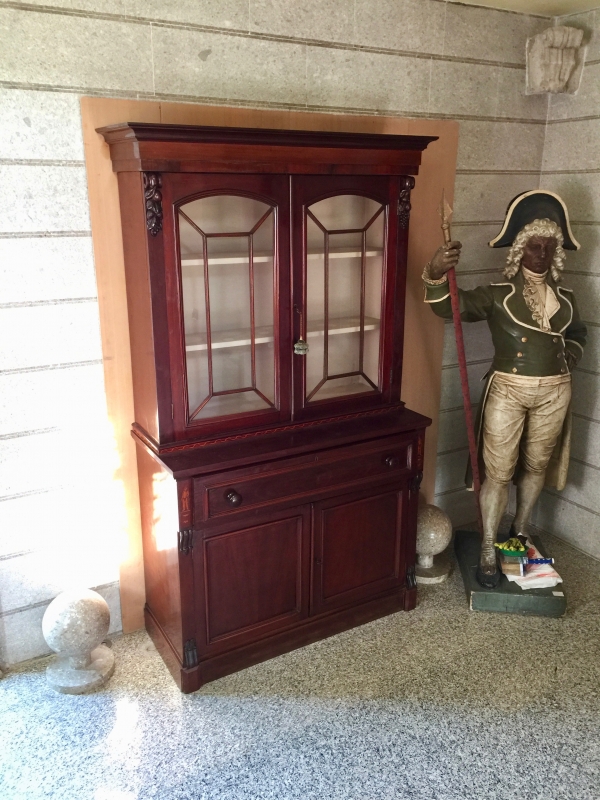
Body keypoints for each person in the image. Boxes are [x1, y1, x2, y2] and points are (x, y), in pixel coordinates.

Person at [423, 191, 587, 588]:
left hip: (555, 390)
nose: (541, 254)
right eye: (534, 245)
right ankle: (487, 544)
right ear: (519, 248)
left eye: (548, 247)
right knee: (497, 472)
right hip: (509, 388)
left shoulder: (566, 298)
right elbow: (450, 306)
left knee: (536, 466)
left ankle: (521, 531)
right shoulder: (498, 294)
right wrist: (435, 271)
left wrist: (571, 355)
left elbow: (579, 333)